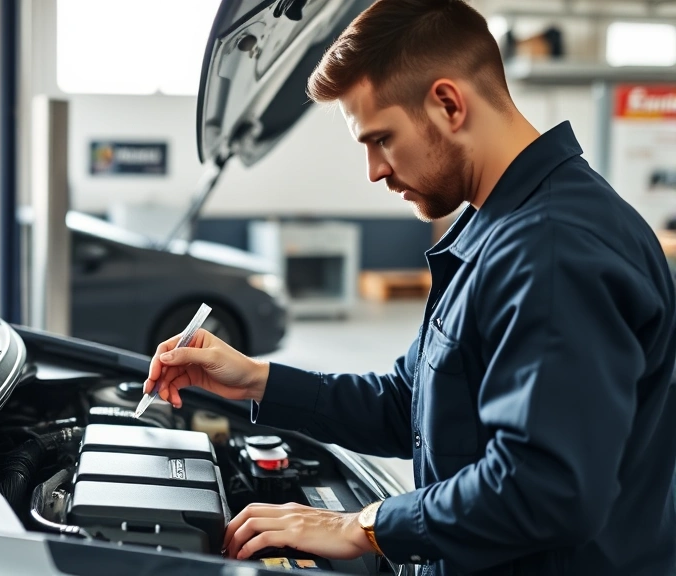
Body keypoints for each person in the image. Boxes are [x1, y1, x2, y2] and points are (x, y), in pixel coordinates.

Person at [142, 1, 676, 574]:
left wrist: (362, 527)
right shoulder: (497, 223)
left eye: (381, 139)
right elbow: (411, 403)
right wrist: (256, 381)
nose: (374, 169)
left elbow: (546, 489)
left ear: (448, 104)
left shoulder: (552, 252)